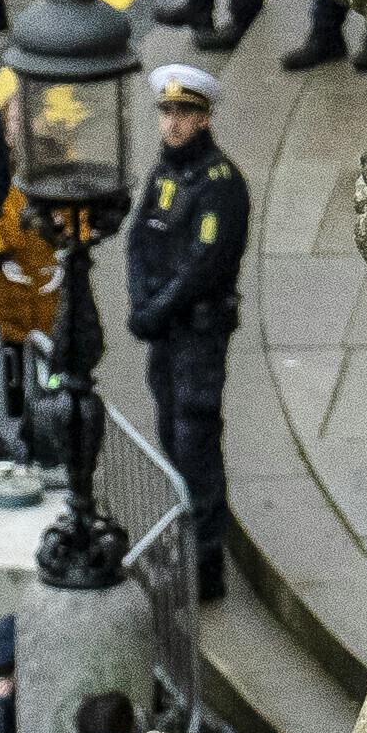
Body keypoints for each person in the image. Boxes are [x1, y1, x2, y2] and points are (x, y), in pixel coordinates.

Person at [120, 67, 249, 551]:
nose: (174, 122)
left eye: (186, 112)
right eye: (168, 111)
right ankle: (185, 540)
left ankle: (207, 555)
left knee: (194, 440)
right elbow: (138, 240)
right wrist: (140, 302)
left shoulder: (220, 182)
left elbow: (206, 263)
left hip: (196, 332)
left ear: (206, 117)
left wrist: (156, 309)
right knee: (171, 436)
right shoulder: (167, 170)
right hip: (165, 330)